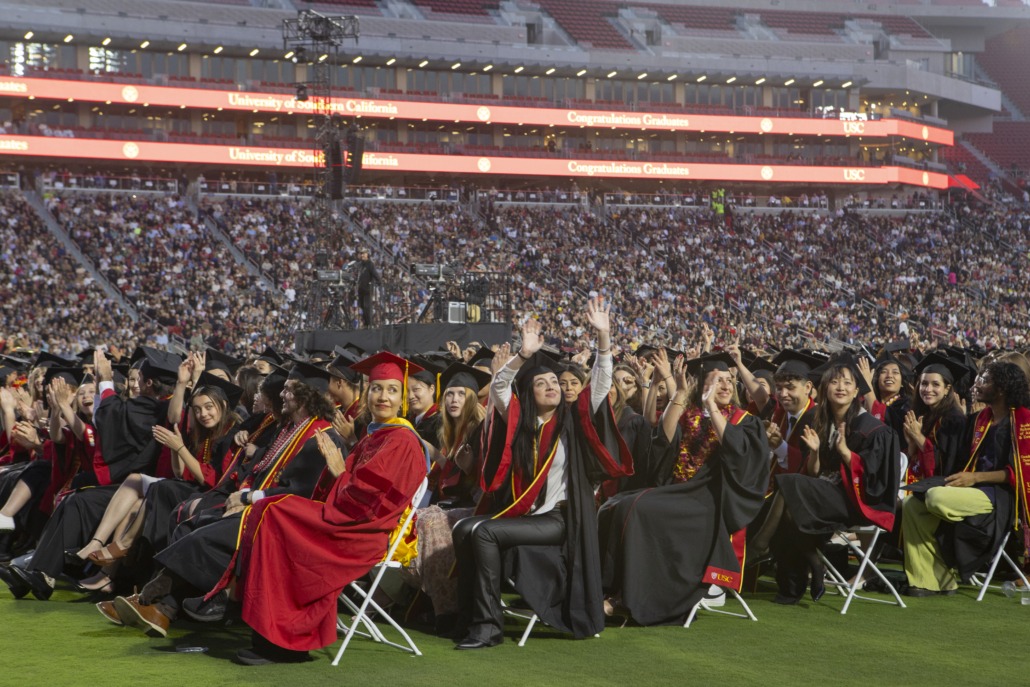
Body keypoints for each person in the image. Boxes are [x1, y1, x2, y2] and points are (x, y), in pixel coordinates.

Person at [102, 362, 341, 636]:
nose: (282, 395)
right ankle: (160, 609)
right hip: (262, 509)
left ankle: (152, 600)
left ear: (304, 395)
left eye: (287, 390)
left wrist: (249, 497)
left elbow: (299, 491)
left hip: (282, 521)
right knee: (188, 525)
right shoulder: (291, 430)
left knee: (202, 535)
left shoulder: (319, 437)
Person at [223, 351, 427, 665]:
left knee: (277, 515)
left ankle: (287, 643)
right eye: (376, 388)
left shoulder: (402, 440)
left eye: (391, 390)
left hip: (363, 532)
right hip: (345, 518)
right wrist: (340, 473)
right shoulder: (374, 435)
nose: (382, 397)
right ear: (367, 392)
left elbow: (371, 503)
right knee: (272, 510)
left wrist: (339, 473)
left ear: (402, 398)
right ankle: (269, 634)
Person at [451, 297, 633, 649]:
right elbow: (501, 388)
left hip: (561, 520)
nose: (553, 386)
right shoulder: (520, 424)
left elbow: (599, 382)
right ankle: (466, 619)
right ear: (530, 393)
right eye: (543, 383)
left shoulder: (574, 424)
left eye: (556, 382)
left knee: (485, 532)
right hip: (528, 516)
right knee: (463, 528)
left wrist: (604, 337)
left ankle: (489, 628)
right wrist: (523, 355)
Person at [597, 352, 769, 624]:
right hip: (678, 492)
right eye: (716, 380)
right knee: (615, 505)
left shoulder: (744, 421)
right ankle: (607, 588)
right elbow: (663, 440)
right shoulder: (691, 415)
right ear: (701, 385)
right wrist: (675, 385)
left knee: (639, 508)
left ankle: (630, 599)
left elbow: (736, 451)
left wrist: (711, 405)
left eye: (727, 380)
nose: (724, 385)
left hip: (711, 500)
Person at [770, 356, 900, 605]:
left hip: (856, 502)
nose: (840, 387)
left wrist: (846, 453)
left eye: (847, 383)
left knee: (790, 487)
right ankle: (796, 580)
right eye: (834, 382)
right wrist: (816, 452)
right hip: (824, 494)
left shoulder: (874, 429)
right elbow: (814, 472)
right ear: (825, 388)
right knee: (789, 497)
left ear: (856, 391)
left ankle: (771, 551)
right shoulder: (816, 421)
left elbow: (877, 481)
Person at [901, 361, 1030, 596]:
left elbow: (1020, 472)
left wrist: (975, 477)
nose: (976, 384)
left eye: (984, 380)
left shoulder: (1024, 422)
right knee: (912, 504)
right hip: (970, 490)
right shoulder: (980, 420)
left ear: (1001, 388)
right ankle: (931, 581)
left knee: (935, 497)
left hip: (1000, 498)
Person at [356, 248, 380, 328]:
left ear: (367, 254)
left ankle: (370, 323)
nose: (362, 255)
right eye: (361, 253)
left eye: (364, 253)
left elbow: (375, 274)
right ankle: (366, 323)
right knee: (362, 307)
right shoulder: (360, 264)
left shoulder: (370, 264)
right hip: (360, 290)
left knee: (367, 307)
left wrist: (379, 282)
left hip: (367, 289)